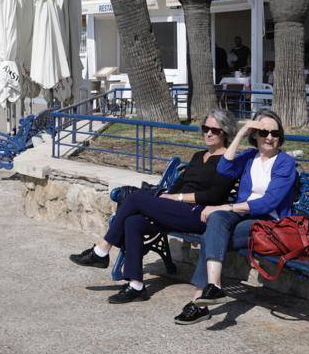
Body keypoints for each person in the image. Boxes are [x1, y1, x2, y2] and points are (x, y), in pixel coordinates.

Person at [69, 109, 239, 306]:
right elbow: (179, 183)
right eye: (205, 128)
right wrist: (166, 199)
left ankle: (101, 250)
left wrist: (176, 198)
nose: (208, 133)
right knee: (133, 221)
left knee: (135, 199)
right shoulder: (198, 155)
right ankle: (136, 285)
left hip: (199, 215)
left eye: (214, 130)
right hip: (176, 210)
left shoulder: (228, 161)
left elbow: (214, 196)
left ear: (225, 132)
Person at [176, 109, 298, 325]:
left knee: (212, 236)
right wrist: (240, 133)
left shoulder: (285, 163)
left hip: (267, 223)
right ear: (255, 135)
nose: (269, 137)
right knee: (216, 221)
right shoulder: (250, 157)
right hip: (244, 215)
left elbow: (268, 203)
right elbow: (224, 168)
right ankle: (213, 286)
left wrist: (228, 206)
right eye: (263, 132)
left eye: (274, 133)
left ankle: (199, 300)